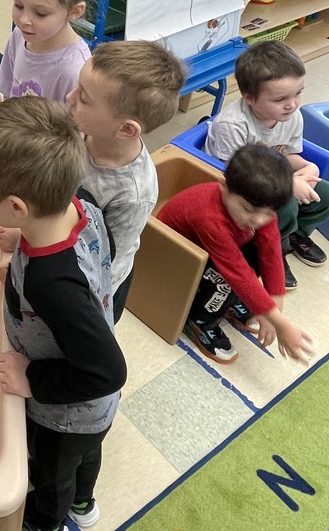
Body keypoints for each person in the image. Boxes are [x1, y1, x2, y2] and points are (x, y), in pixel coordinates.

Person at [0, 97, 127, 531]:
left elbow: (106, 372)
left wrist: (30, 377)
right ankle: (84, 503)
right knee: (85, 456)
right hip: (95, 410)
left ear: (16, 204)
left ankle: (48, 525)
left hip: (66, 409)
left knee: (51, 471)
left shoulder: (53, 283)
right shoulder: (81, 203)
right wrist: (22, 238)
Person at [158, 144, 314, 366]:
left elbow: (271, 251)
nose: (259, 219)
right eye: (248, 209)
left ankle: (229, 303)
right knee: (230, 277)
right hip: (175, 256)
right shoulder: (209, 217)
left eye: (268, 213)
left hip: (213, 251)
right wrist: (280, 324)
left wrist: (274, 310)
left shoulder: (261, 207)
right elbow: (237, 272)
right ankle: (201, 320)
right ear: (224, 187)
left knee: (257, 256)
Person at [65, 40, 186, 323]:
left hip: (92, 285)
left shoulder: (132, 194)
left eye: (84, 98)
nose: (70, 98)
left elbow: (105, 261)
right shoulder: (84, 127)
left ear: (126, 129)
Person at [205, 40, 329, 290]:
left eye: (298, 93)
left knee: (323, 193)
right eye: (281, 98)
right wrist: (289, 183)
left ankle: (295, 234)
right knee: (285, 206)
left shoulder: (291, 117)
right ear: (249, 98)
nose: (292, 104)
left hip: (272, 175)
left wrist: (307, 167)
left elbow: (288, 155)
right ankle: (274, 249)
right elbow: (235, 176)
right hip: (238, 185)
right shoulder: (234, 124)